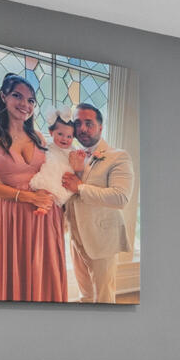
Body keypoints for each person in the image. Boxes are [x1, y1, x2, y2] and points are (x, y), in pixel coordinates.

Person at [0, 72, 69, 303]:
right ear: (4, 97)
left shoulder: (37, 136)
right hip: (15, 213)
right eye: (18, 96)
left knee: (48, 272)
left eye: (31, 100)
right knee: (19, 273)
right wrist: (27, 197)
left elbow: (52, 172)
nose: (25, 104)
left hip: (46, 213)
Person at [61, 101, 137, 303]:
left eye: (89, 123)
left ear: (100, 127)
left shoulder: (118, 157)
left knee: (103, 299)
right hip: (75, 239)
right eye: (77, 123)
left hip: (102, 240)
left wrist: (79, 187)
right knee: (85, 296)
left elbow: (120, 197)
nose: (82, 129)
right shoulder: (70, 156)